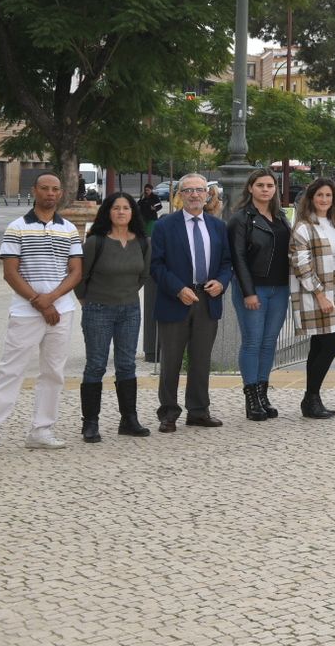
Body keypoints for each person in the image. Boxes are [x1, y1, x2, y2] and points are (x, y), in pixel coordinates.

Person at [0, 175, 83, 460]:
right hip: (26, 312)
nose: (51, 194)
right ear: (35, 191)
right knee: (9, 372)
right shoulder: (17, 228)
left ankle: (41, 431)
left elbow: (76, 271)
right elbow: (10, 272)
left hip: (61, 311)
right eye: (45, 188)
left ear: (61, 193)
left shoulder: (69, 229)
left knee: (53, 373)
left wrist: (51, 300)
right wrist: (38, 302)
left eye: (55, 189)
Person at [147, 173, 233, 433]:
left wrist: (221, 282)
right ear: (180, 196)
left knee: (201, 360)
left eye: (199, 190)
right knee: (171, 360)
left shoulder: (218, 226)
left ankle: (198, 411)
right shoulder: (165, 225)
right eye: (188, 191)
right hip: (176, 299)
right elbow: (156, 266)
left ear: (208, 195)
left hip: (208, 299)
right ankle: (168, 413)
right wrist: (178, 289)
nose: (194, 195)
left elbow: (227, 263)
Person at [74, 191, 150, 442]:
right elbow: (80, 278)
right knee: (96, 364)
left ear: (132, 212)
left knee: (127, 364)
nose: (120, 212)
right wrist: (89, 302)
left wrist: (124, 295)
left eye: (126, 208)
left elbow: (143, 276)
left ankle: (129, 419)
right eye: (115, 208)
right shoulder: (96, 241)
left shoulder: (142, 241)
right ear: (107, 212)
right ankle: (90, 423)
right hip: (98, 309)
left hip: (130, 309)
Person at [228, 169, 293, 422]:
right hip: (254, 289)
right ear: (250, 188)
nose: (266, 189)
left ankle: (263, 393)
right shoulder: (241, 219)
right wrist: (248, 292)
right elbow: (238, 259)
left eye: (270, 185)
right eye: (260, 185)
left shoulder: (281, 217)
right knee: (252, 342)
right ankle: (251, 398)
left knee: (269, 343)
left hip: (280, 288)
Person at [288, 178, 335, 421]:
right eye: (320, 195)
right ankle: (311, 396)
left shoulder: (333, 224)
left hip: (333, 291)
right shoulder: (303, 227)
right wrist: (321, 294)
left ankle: (311, 399)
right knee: (330, 345)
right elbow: (301, 264)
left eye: (329, 196)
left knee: (320, 345)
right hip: (315, 294)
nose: (324, 199)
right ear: (311, 198)